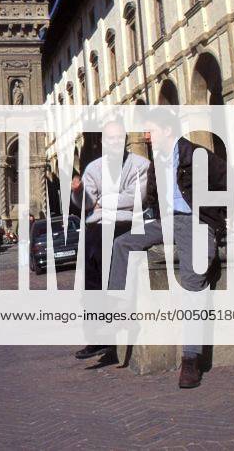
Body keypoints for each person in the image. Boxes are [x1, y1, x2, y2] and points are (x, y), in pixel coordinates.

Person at [107, 109, 227, 389]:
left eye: (151, 131)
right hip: (165, 222)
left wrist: (217, 218)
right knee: (122, 243)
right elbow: (151, 200)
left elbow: (230, 184)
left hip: (194, 222)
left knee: (193, 281)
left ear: (168, 131)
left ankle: (191, 358)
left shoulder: (196, 155)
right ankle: (120, 309)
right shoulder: (156, 163)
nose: (147, 137)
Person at [74, 119, 150, 361]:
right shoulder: (93, 168)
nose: (115, 142)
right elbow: (86, 204)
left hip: (125, 223)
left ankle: (110, 331)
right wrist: (79, 194)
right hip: (97, 225)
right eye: (110, 139)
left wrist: (103, 200)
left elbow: (136, 197)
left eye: (119, 138)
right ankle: (96, 336)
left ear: (125, 140)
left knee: (106, 264)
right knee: (89, 278)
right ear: (103, 142)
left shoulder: (141, 165)